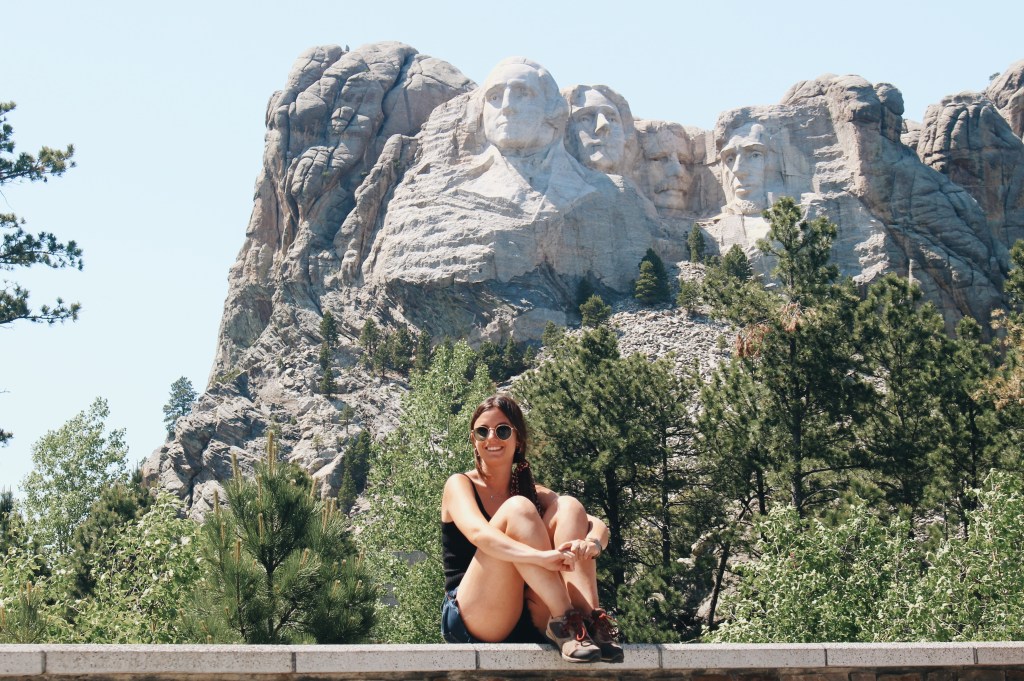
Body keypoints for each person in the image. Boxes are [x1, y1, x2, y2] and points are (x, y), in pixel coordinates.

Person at [440, 394, 623, 663]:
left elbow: (594, 524)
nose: (491, 438)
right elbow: (479, 534)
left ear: (519, 440)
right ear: (474, 440)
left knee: (570, 507)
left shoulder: (532, 491)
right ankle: (565, 619)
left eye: (502, 430)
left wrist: (592, 543)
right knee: (519, 509)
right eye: (482, 431)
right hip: (475, 614)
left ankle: (586, 622)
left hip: (530, 613)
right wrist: (539, 557)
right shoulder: (459, 485)